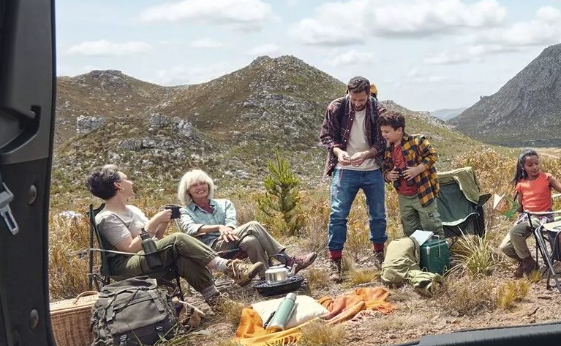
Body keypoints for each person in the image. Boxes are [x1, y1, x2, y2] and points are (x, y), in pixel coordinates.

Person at [86, 165, 264, 306]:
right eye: (126, 179)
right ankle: (229, 268)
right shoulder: (107, 218)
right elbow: (130, 248)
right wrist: (154, 221)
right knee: (178, 238)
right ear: (118, 186)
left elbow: (155, 239)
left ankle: (215, 300)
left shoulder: (133, 210)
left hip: (148, 256)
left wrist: (163, 222)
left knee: (183, 258)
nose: (131, 182)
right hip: (126, 266)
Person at [176, 169, 317, 273]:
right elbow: (190, 229)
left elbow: (231, 222)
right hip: (211, 249)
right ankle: (288, 260)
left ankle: (266, 277)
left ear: (208, 185)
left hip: (232, 239)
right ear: (188, 191)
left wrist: (227, 229)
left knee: (251, 240)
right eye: (194, 185)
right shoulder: (185, 211)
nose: (200, 187)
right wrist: (218, 227)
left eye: (202, 183)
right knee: (253, 225)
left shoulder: (224, 203)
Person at [319, 75, 387, 274]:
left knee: (378, 215)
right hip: (344, 168)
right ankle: (335, 261)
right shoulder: (336, 107)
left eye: (362, 100)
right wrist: (338, 152)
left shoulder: (379, 110)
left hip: (372, 168)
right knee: (338, 215)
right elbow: (326, 136)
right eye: (353, 99)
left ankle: (379, 255)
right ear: (347, 93)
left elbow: (383, 141)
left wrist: (367, 154)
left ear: (369, 95)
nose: (357, 103)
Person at [496, 149, 561, 277]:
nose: (534, 167)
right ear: (523, 167)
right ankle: (528, 262)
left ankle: (528, 266)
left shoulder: (547, 178)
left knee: (515, 232)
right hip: (526, 218)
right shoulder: (521, 184)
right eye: (530, 165)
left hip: (542, 217)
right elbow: (521, 208)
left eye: (536, 163)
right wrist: (506, 207)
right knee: (505, 247)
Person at [379, 111, 445, 238]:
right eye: (382, 131)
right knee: (410, 228)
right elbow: (385, 169)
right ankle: (417, 250)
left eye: (387, 131)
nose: (383, 135)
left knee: (431, 225)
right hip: (403, 196)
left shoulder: (417, 141)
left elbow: (433, 155)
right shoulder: (388, 149)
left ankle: (437, 249)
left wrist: (417, 170)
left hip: (422, 192)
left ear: (399, 130)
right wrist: (388, 176)